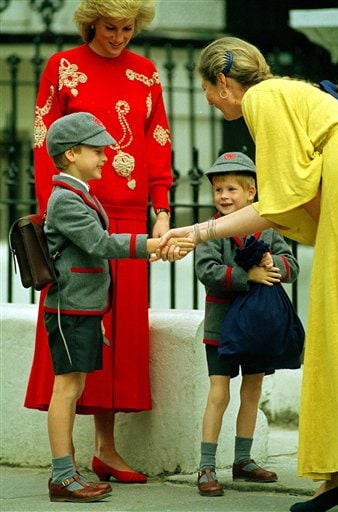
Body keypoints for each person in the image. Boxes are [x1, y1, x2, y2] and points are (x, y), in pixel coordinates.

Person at [159, 37, 338, 511]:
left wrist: (197, 232)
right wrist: (200, 232)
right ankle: (337, 474)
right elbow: (288, 201)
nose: (206, 99)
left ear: (223, 82)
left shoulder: (261, 100)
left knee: (334, 335)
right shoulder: (285, 92)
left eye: (206, 89)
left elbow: (277, 203)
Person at [25, 0, 173, 483]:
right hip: (77, 218)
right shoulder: (61, 67)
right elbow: (44, 138)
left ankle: (107, 450)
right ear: (92, 22)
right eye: (111, 27)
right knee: (80, 326)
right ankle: (68, 460)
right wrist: (53, 212)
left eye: (128, 28)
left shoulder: (147, 73)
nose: (119, 37)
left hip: (129, 215)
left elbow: (158, 140)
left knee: (119, 338)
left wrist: (162, 209)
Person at [43, 112, 191, 502]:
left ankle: (67, 473)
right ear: (71, 154)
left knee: (73, 387)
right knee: (67, 388)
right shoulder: (66, 200)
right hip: (71, 310)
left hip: (83, 308)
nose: (106, 157)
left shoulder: (78, 194)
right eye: (96, 150)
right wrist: (153, 246)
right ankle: (62, 475)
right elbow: (100, 243)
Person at [195, 151, 300, 497]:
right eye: (218, 190)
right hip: (221, 326)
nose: (223, 196)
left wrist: (273, 267)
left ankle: (243, 459)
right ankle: (206, 465)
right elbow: (206, 271)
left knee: (252, 391)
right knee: (219, 393)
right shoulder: (209, 231)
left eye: (231, 190)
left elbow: (291, 266)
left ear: (252, 192)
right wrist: (246, 275)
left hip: (258, 327)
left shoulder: (268, 227)